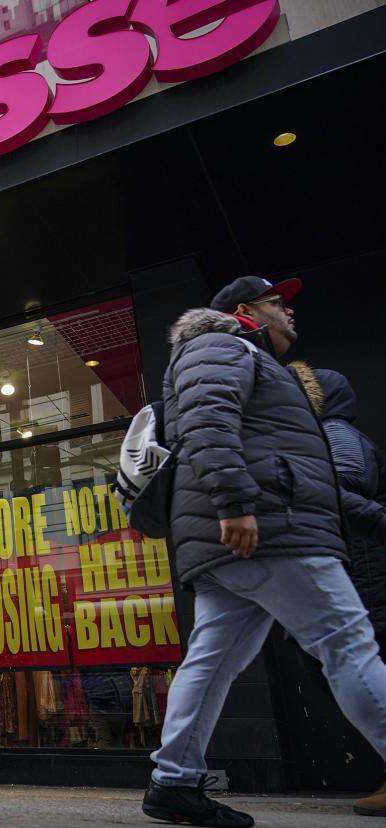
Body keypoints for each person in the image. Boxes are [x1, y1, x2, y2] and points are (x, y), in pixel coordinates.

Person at [142, 276, 386, 827]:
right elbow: (207, 422)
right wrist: (234, 504)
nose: (290, 311)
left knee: (213, 660)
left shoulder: (242, 358)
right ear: (247, 309)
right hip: (269, 529)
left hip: (247, 533)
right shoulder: (220, 345)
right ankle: (173, 779)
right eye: (280, 302)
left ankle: (173, 782)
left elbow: (310, 471)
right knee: (347, 644)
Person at [293, 365, 386, 817]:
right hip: (357, 574)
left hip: (364, 579)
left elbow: (345, 485)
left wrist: (291, 488)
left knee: (363, 671)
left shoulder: (336, 435)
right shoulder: (326, 436)